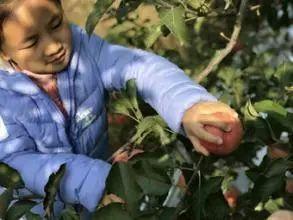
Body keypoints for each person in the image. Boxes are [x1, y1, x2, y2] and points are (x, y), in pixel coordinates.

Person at [0, 0, 239, 218]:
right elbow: (15, 163)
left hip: (100, 197)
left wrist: (188, 105)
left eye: (56, 24)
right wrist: (98, 180)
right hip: (36, 212)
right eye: (32, 42)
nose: (53, 46)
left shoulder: (84, 50)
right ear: (3, 52)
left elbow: (138, 68)